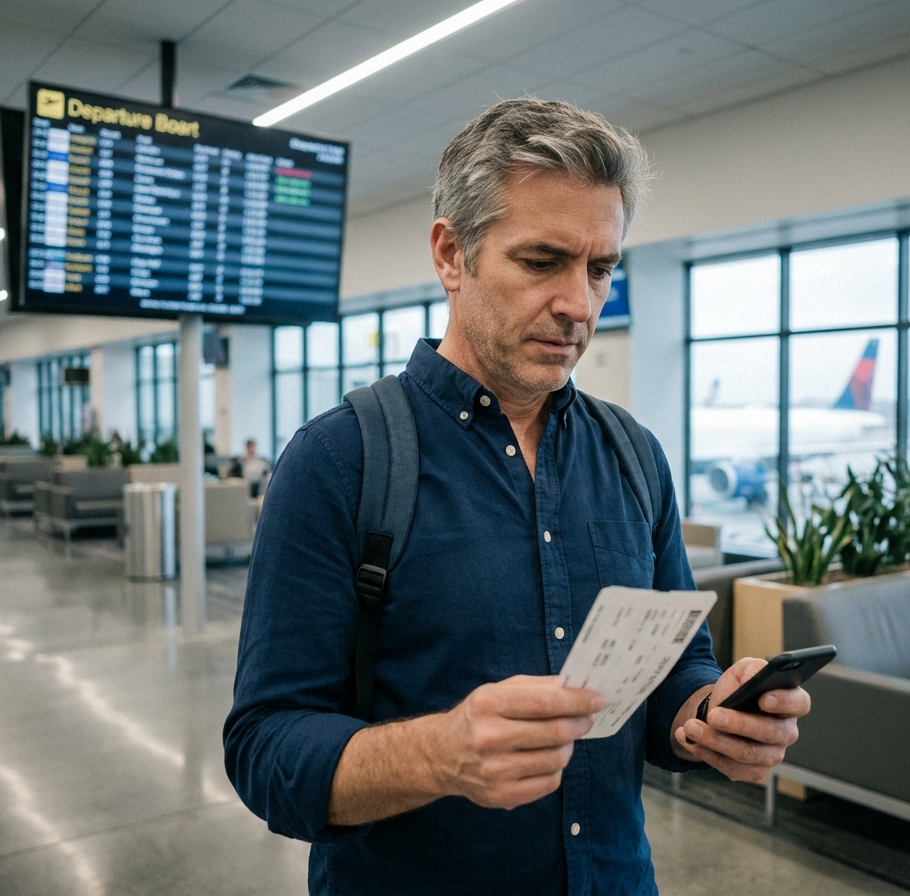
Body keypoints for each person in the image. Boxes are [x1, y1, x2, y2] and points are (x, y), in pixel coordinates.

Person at [224, 99, 810, 895]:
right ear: (451, 253)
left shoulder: (634, 456)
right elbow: (266, 749)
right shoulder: (340, 460)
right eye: (542, 262)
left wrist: (709, 717)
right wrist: (440, 753)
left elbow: (675, 673)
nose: (580, 304)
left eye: (601, 269)